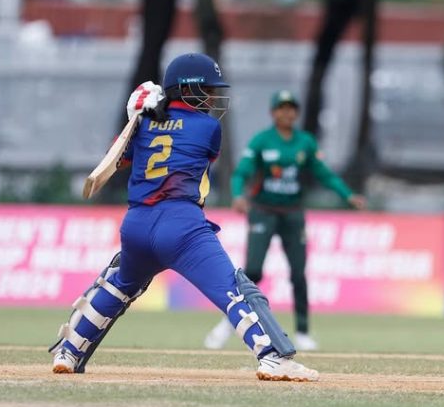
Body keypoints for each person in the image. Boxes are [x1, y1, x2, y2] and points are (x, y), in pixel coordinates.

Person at [50, 53, 318, 381]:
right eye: (208, 90)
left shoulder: (143, 123)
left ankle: (69, 350)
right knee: (233, 288)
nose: (213, 97)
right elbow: (194, 146)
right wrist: (148, 117)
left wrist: (135, 120)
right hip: (181, 225)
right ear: (188, 89)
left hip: (136, 225)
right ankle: (272, 356)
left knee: (118, 286)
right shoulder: (208, 127)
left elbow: (115, 159)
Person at [203, 90, 366, 351]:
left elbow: (324, 174)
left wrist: (348, 195)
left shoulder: (305, 143)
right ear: (273, 112)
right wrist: (238, 195)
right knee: (253, 272)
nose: (287, 113)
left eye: (292, 108)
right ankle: (228, 323)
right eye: (282, 108)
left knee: (298, 274)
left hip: (292, 214)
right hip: (263, 211)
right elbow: (241, 173)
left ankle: (302, 331)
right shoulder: (262, 141)